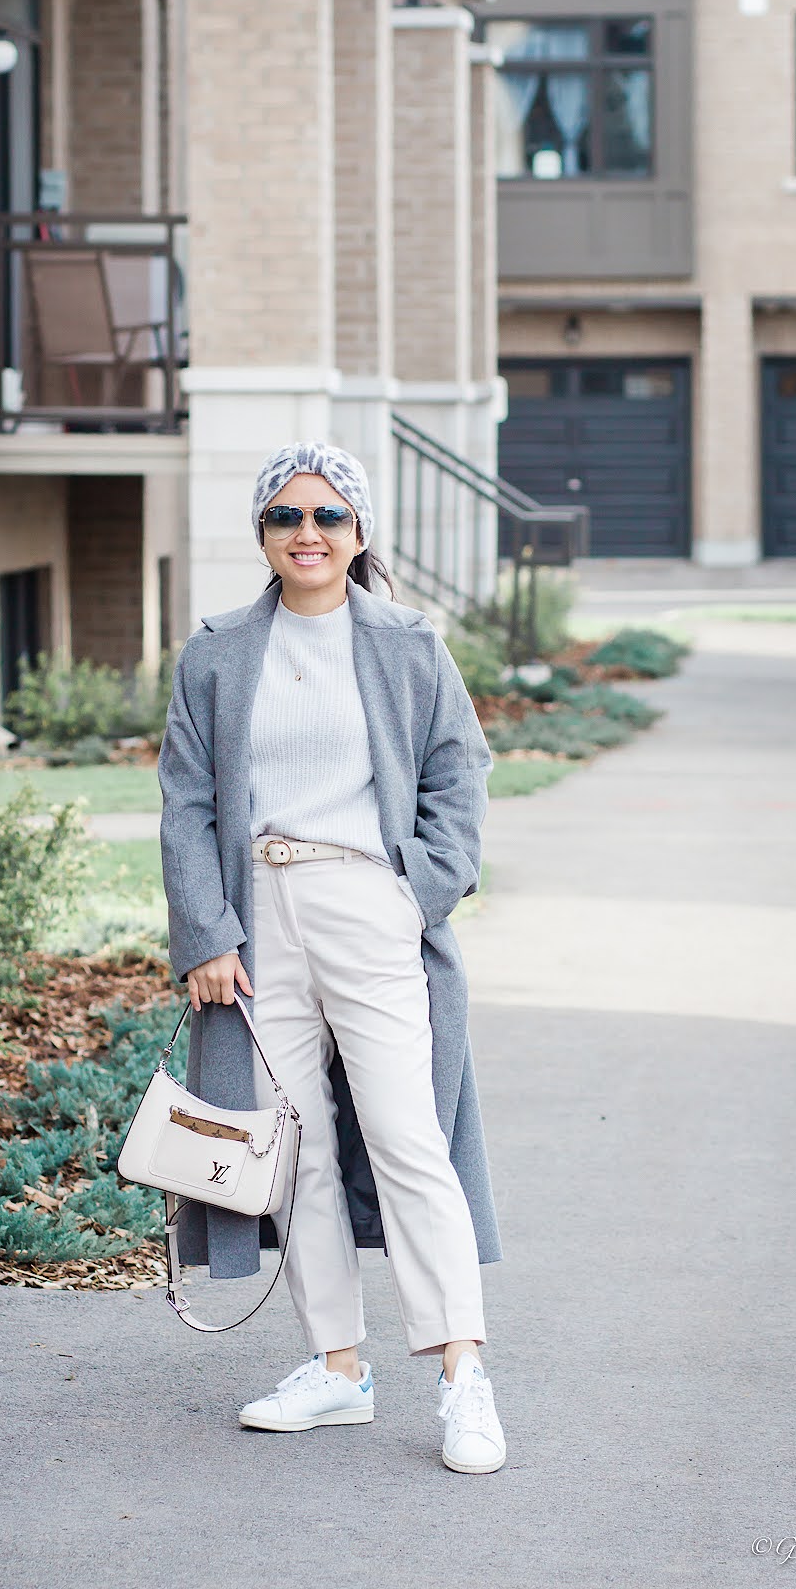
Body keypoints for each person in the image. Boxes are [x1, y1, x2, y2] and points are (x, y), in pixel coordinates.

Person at [156, 440, 506, 1474]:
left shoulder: (406, 643)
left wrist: (416, 895)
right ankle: (338, 1368)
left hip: (371, 904)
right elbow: (184, 801)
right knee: (292, 1148)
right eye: (285, 516)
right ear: (261, 532)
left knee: (408, 1136)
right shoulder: (216, 652)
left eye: (328, 516)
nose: (306, 534)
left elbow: (460, 775)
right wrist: (207, 931)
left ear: (360, 533)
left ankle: (463, 1378)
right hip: (258, 921)